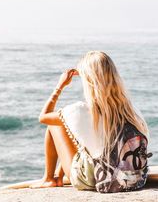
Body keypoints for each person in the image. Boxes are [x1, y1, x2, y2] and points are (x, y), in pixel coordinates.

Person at [30, 51, 150, 190]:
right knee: (75, 129)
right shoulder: (131, 111)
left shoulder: (81, 111)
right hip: (133, 178)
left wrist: (60, 86)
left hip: (95, 178)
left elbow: (44, 117)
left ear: (88, 80)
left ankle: (49, 179)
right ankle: (58, 175)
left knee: (56, 126)